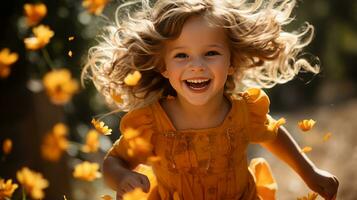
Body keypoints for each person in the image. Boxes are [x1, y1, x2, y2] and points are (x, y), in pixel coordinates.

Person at [82, 0, 339, 199]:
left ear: (231, 63)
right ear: (163, 67)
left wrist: (309, 172)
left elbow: (273, 135)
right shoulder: (151, 123)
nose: (197, 66)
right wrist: (122, 178)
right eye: (182, 56)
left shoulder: (244, 111)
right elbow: (114, 162)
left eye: (211, 53)